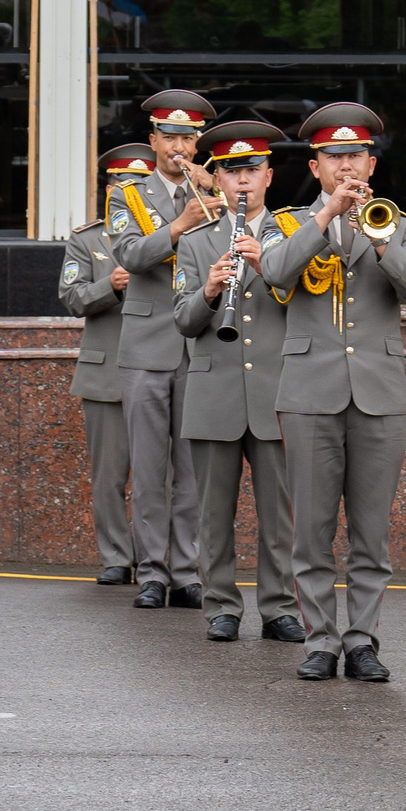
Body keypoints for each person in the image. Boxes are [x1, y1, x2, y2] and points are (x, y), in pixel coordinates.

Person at [260, 102, 406, 682]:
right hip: (309, 391)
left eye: (355, 155)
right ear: (315, 167)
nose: (345, 166)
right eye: (333, 157)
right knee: (310, 530)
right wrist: (327, 217)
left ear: (371, 164)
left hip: (379, 393)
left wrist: (378, 239)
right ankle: (320, 641)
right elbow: (276, 273)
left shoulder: (399, 222)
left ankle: (362, 641)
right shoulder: (285, 223)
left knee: (370, 531)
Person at [172, 119, 303, 644]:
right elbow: (182, 320)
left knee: (280, 515)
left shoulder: (296, 235)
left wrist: (268, 266)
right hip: (213, 391)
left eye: (252, 170)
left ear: (269, 176)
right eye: (231, 173)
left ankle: (279, 609)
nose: (242, 182)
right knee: (213, 512)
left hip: (277, 390)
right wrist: (206, 291)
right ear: (218, 181)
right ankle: (221, 604)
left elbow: (309, 308)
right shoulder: (198, 241)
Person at [108, 89, 215, 611]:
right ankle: (151, 571)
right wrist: (181, 224)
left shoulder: (216, 190)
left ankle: (187, 572)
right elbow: (128, 253)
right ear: (152, 141)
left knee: (192, 470)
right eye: (169, 137)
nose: (179, 147)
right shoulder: (127, 193)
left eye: (188, 138)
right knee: (149, 468)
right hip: (148, 346)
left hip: (200, 344)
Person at [62, 145, 149, 586]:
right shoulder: (88, 238)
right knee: (109, 475)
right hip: (106, 373)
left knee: (163, 476)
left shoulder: (169, 232)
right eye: (119, 183)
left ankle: (159, 560)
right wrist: (107, 286)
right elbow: (71, 299)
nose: (127, 190)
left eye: (137, 183)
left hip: (158, 368)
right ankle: (117, 557)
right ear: (108, 188)